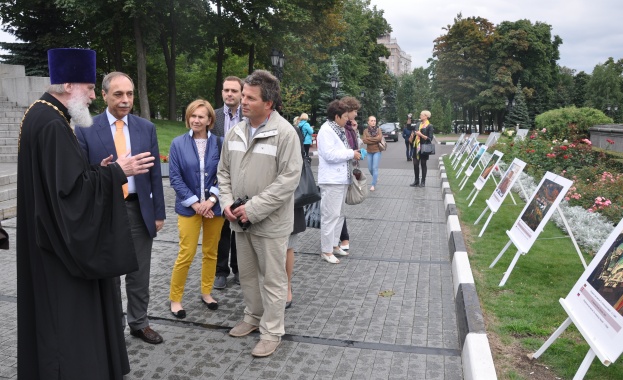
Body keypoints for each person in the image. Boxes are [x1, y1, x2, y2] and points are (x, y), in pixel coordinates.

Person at [17, 48, 155, 379]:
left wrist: (96, 171)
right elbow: (69, 198)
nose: (94, 95)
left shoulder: (41, 114)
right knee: (68, 328)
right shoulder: (52, 124)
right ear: (67, 85)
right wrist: (116, 173)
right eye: (90, 88)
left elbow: (61, 184)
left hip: (46, 239)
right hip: (59, 257)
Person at [75, 71, 166, 345]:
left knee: (139, 272)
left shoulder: (145, 128)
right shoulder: (85, 128)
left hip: (139, 211)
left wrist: (159, 213)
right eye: (118, 94)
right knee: (111, 274)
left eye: (129, 94)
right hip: (106, 211)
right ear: (103, 95)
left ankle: (139, 323)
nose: (125, 100)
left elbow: (154, 175)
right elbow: (82, 175)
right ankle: (113, 326)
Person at [217, 69, 302, 357]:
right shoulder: (236, 130)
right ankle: (253, 318)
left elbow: (288, 181)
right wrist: (226, 203)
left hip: (270, 223)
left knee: (273, 279)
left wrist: (251, 209)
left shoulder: (285, 133)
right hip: (239, 221)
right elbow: (224, 171)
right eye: (242, 95)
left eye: (250, 98)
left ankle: (272, 331)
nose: (243, 101)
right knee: (249, 277)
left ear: (269, 103)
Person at [168, 99, 224, 318]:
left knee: (211, 252)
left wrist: (211, 200)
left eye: (201, 116)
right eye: (193, 115)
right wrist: (196, 203)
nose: (196, 120)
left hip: (214, 208)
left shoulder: (220, 143)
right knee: (187, 253)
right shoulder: (178, 143)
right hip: (189, 207)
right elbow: (175, 177)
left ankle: (207, 292)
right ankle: (175, 299)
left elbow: (225, 174)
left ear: (210, 120)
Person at [317, 100, 362, 264]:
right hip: (331, 180)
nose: (347, 119)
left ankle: (335, 245)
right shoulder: (326, 130)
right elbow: (329, 155)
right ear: (336, 117)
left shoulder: (339, 129)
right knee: (330, 216)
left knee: (339, 214)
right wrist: (351, 154)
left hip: (341, 178)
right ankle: (326, 250)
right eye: (344, 116)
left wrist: (352, 152)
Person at [212, 76, 243, 290]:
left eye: (233, 90)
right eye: (226, 90)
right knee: (221, 229)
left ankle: (239, 269)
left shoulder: (248, 116)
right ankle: (220, 271)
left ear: (241, 93)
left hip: (242, 179)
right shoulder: (213, 117)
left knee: (240, 226)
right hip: (219, 179)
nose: (229, 94)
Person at [286, 122, 308, 309]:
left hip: (289, 197)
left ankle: (287, 287)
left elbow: (298, 163)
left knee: (287, 246)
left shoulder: (290, 129)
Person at [338, 97, 362, 250]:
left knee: (339, 208)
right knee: (337, 208)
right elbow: (348, 149)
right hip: (339, 172)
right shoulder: (342, 129)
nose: (356, 115)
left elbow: (355, 146)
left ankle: (341, 238)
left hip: (346, 170)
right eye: (354, 111)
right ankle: (343, 238)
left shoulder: (349, 128)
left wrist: (355, 130)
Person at [409, 110, 434, 187]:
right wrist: (409, 118)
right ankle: (416, 181)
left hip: (424, 147)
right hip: (416, 146)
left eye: (421, 114)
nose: (420, 116)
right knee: (415, 164)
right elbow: (409, 127)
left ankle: (423, 182)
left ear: (426, 116)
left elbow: (430, 138)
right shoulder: (418, 124)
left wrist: (421, 135)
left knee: (423, 164)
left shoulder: (429, 126)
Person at [362, 115, 383, 191]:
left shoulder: (378, 130)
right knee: (370, 168)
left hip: (377, 151)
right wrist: (375, 139)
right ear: (368, 122)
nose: (373, 122)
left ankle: (373, 184)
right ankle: (376, 177)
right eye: (372, 120)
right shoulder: (365, 131)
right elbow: (364, 140)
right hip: (369, 151)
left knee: (375, 168)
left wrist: (369, 139)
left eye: (374, 120)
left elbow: (379, 138)